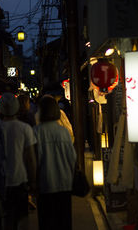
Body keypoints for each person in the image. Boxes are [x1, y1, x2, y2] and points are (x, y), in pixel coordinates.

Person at [0, 92, 37, 230]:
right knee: (20, 218)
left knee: (0, 219)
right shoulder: (24, 128)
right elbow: (30, 157)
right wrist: (33, 181)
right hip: (19, 180)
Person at [34, 95, 77, 230]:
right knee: (64, 221)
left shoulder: (36, 132)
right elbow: (72, 158)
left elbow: (34, 160)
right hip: (64, 184)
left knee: (46, 222)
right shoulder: (64, 132)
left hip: (45, 184)